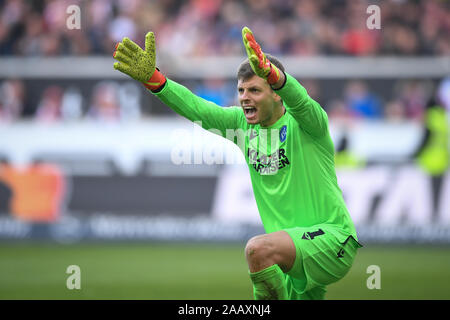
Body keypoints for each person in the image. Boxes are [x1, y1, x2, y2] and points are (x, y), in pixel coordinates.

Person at [112, 27, 362, 300]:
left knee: (258, 250)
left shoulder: (308, 124)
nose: (245, 97)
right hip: (293, 256)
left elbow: (300, 101)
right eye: (241, 90)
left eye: (255, 90)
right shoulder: (241, 126)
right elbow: (198, 109)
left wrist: (277, 76)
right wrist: (155, 80)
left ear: (277, 93)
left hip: (332, 240)